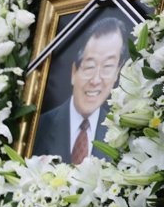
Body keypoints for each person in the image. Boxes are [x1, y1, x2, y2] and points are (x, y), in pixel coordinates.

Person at [32, 16, 130, 163]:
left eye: (108, 67)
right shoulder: (38, 127)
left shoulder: (123, 134)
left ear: (117, 72)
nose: (96, 80)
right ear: (74, 71)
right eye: (89, 66)